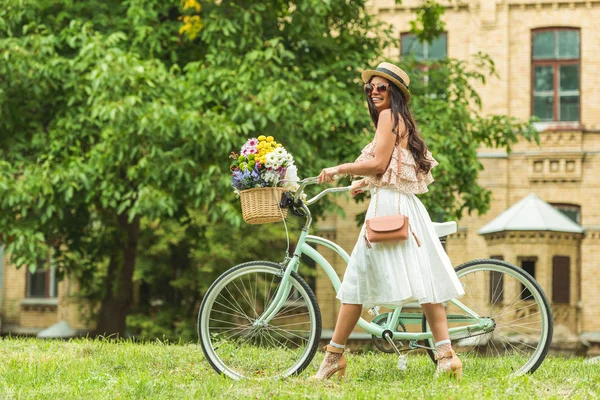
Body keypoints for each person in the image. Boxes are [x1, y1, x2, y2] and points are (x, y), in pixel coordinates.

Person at [314, 62, 465, 381]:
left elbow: (380, 163)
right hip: (404, 207)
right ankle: (446, 356)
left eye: (381, 87)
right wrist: (364, 181)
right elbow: (390, 167)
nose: (374, 92)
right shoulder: (398, 121)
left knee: (354, 282)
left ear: (394, 92)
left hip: (389, 211)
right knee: (427, 283)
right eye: (370, 88)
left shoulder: (388, 117)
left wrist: (340, 169)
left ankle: (333, 358)